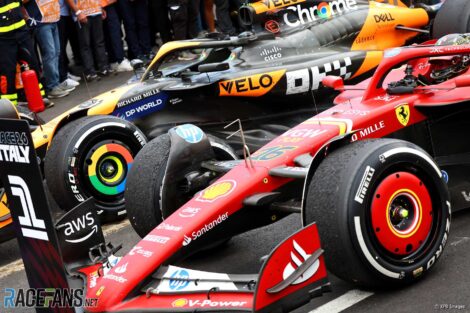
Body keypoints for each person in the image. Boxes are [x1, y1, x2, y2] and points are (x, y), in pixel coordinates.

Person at [0, 0, 49, 106]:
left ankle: (39, 98)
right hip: (4, 40)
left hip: (22, 34)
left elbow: (21, 6)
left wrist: (27, 20)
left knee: (33, 65)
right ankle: (9, 106)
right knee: (7, 73)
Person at [24, 0, 75, 98]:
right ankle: (52, 87)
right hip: (41, 22)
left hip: (52, 18)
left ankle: (56, 83)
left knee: (56, 52)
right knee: (50, 54)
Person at [66, 0, 109, 81]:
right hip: (82, 13)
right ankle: (90, 72)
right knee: (85, 45)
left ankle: (103, 68)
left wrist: (101, 8)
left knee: (99, 42)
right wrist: (78, 12)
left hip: (96, 10)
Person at [102, 0, 132, 71]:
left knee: (109, 31)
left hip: (105, 4)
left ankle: (114, 60)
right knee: (114, 29)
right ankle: (120, 60)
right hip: (105, 3)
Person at [58, 0, 82, 87]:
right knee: (60, 47)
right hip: (59, 14)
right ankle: (64, 76)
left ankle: (66, 73)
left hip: (65, 12)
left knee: (62, 46)